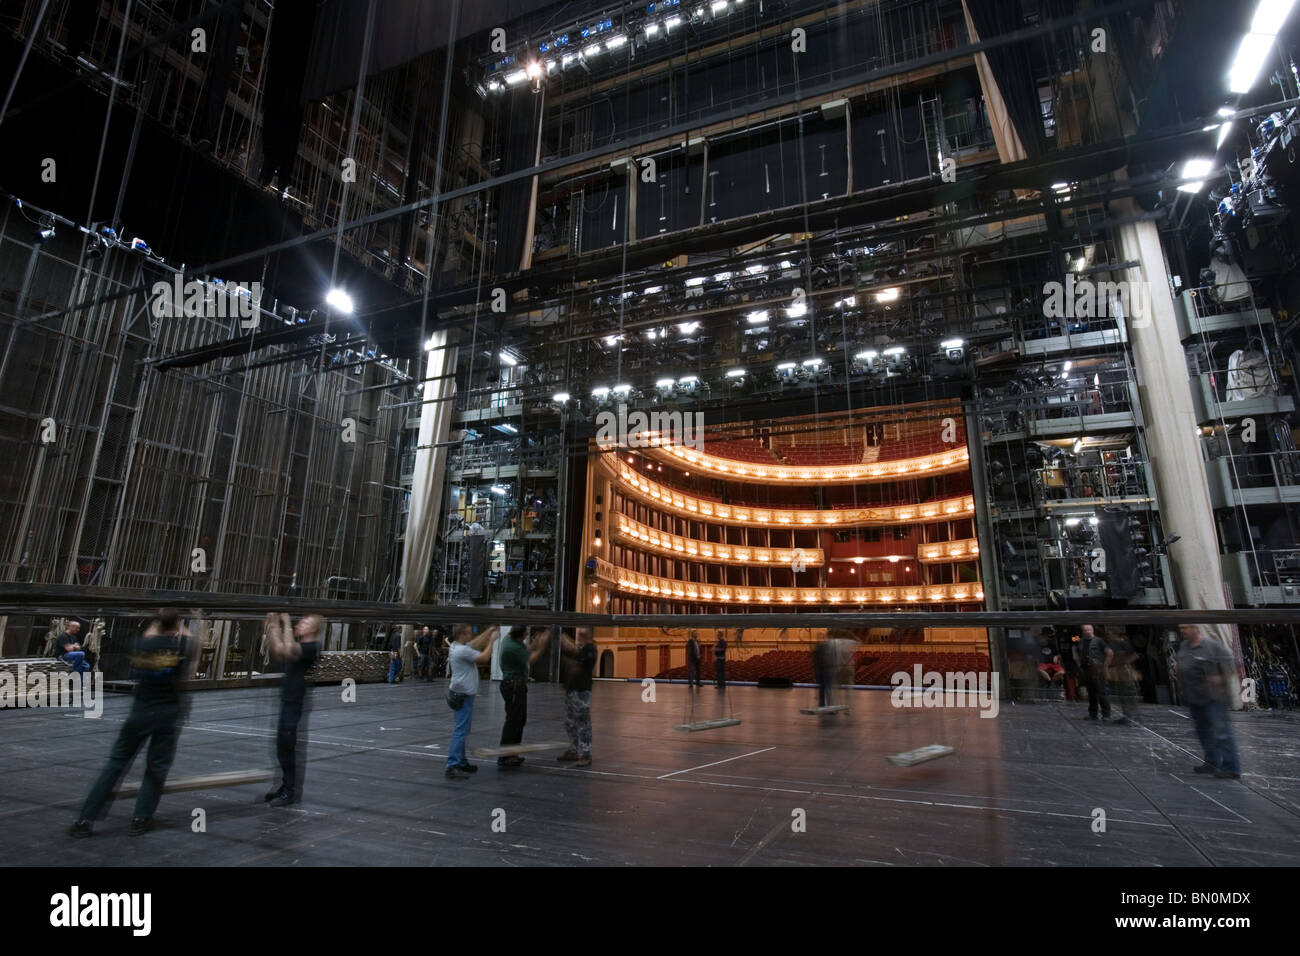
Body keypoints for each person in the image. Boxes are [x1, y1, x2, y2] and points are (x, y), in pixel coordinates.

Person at [69, 609, 195, 838]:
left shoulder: (138, 645)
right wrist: (195, 620)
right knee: (156, 768)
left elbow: (150, 634)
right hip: (166, 714)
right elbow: (193, 644)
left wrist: (159, 619)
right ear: (175, 626)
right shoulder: (180, 648)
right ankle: (141, 819)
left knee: (115, 764)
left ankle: (84, 819)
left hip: (139, 712)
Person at [263, 612, 323, 806]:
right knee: (282, 747)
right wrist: (273, 627)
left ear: (313, 629)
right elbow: (279, 649)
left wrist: (286, 623)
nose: (300, 624)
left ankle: (290, 791)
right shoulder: (300, 646)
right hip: (287, 699)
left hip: (294, 701)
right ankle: (285, 786)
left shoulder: (311, 647)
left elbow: (288, 649)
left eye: (305, 622)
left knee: (288, 746)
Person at [1176, 625, 1242, 779]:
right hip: (1194, 698)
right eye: (1181, 628)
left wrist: (1220, 679)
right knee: (1204, 733)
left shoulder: (1212, 647)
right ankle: (1211, 762)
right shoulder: (1184, 647)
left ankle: (1231, 768)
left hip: (1213, 698)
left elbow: (1232, 666)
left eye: (1186, 628)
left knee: (1222, 733)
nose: (1182, 631)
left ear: (1195, 628)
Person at [445, 624, 499, 781]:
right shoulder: (462, 650)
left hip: (460, 693)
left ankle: (461, 762)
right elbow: (484, 657)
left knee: (462, 730)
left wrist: (488, 631)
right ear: (462, 634)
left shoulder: (457, 645)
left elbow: (475, 643)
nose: (471, 635)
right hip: (462, 695)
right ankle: (452, 765)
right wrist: (493, 641)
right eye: (469, 633)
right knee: (460, 731)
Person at [496, 625, 553, 768]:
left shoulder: (512, 640)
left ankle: (512, 752)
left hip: (517, 685)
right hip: (513, 686)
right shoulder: (512, 647)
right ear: (520, 635)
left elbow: (527, 648)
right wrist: (543, 645)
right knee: (513, 721)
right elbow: (531, 659)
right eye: (525, 635)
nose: (527, 636)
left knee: (520, 719)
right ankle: (505, 756)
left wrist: (537, 641)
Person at [557, 627, 597, 767]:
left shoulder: (590, 649)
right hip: (572, 689)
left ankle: (586, 753)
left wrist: (561, 636)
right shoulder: (581, 648)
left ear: (590, 636)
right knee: (570, 722)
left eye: (583, 634)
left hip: (581, 691)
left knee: (583, 722)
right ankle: (573, 750)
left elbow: (576, 659)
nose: (580, 636)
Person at [1106, 630, 1140, 725]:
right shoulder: (1113, 644)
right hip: (1119, 672)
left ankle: (1132, 717)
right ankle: (1127, 716)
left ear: (1115, 634)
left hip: (1125, 672)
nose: (1108, 637)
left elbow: (1135, 655)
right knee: (1123, 695)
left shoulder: (1124, 644)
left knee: (1129, 695)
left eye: (1109, 634)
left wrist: (1123, 663)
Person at [1079, 624, 1111, 720]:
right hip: (1087, 670)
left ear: (1093, 630)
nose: (1087, 631)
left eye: (1089, 630)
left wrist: (1105, 666)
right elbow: (1078, 651)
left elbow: (1109, 653)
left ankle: (1106, 714)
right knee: (1091, 692)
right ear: (1082, 632)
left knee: (1102, 692)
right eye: (1085, 630)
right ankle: (1093, 713)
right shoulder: (1080, 641)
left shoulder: (1099, 641)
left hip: (1098, 670)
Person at [813, 637, 834, 707]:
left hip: (821, 670)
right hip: (826, 670)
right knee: (828, 689)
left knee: (822, 689)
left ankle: (821, 705)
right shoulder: (828, 648)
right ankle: (829, 705)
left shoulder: (818, 648)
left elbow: (815, 661)